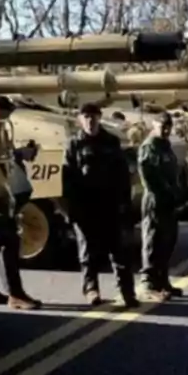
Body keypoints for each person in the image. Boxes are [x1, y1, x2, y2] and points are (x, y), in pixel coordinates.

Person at [61, 102, 138, 308]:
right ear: (79, 120)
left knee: (119, 250)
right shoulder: (73, 144)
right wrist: (70, 208)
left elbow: (122, 174)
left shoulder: (110, 141)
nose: (90, 120)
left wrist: (125, 203)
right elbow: (67, 178)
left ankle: (126, 291)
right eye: (85, 117)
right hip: (85, 206)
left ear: (99, 118)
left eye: (93, 116)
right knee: (87, 252)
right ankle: (91, 289)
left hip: (109, 204)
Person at [0, 95, 42, 310]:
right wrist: (20, 154)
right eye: (7, 111)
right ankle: (15, 294)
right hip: (0, 193)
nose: (9, 115)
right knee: (8, 242)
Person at [137, 112, 184, 300]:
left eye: (168, 127)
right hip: (155, 199)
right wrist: (160, 194)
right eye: (162, 126)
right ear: (154, 125)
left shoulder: (165, 146)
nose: (165, 130)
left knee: (168, 240)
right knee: (153, 240)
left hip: (169, 198)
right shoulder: (150, 146)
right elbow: (147, 175)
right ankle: (148, 283)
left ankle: (162, 280)